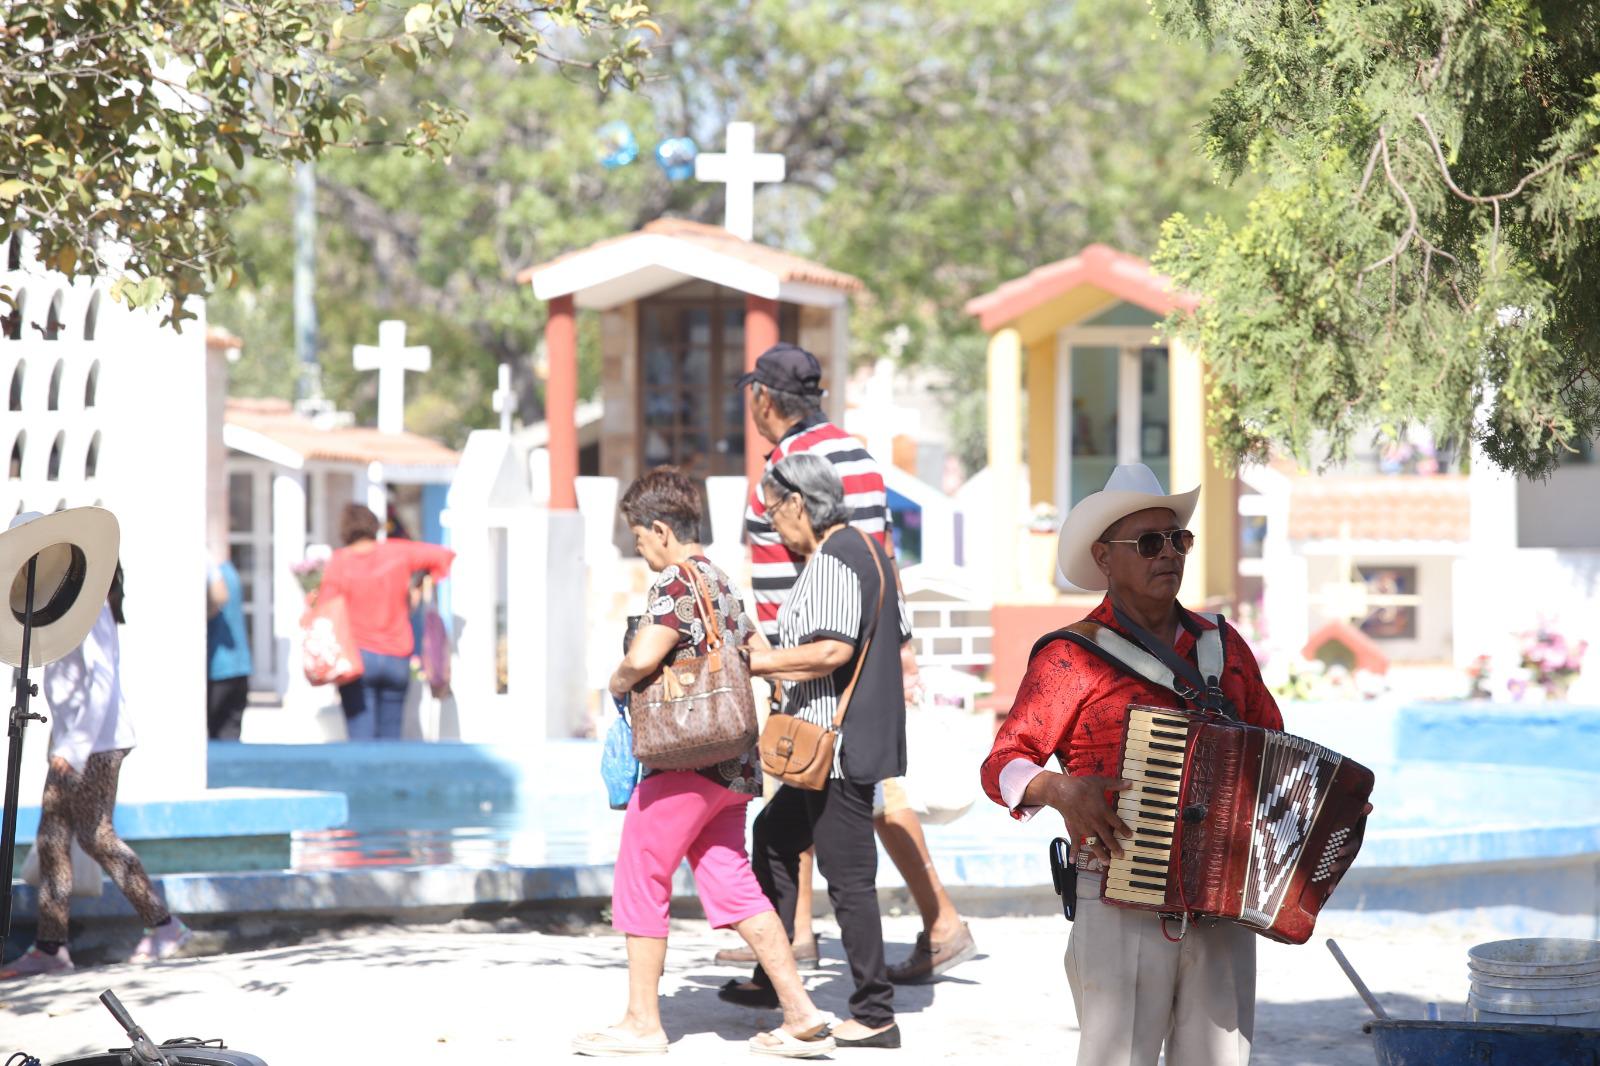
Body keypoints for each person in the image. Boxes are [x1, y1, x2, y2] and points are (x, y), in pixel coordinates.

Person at [978, 464, 1285, 1066]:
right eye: (1148, 543)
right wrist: (1060, 789)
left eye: (1178, 540)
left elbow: (1274, 750)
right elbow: (1002, 765)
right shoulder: (1072, 656)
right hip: (1119, 891)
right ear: (1105, 558)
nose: (1168, 554)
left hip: (1222, 897)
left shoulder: (1224, 646)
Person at [727, 342, 975, 984]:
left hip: (809, 658)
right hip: (863, 644)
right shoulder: (860, 454)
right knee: (807, 787)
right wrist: (900, 645)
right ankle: (795, 935)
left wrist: (777, 665)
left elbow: (789, 571)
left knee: (837, 783)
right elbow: (882, 554)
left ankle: (938, 921)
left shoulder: (785, 469)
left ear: (764, 399)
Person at [573, 467, 835, 1059]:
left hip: (682, 759)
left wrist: (617, 681)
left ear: (661, 530)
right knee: (733, 881)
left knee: (640, 873)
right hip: (734, 762)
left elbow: (644, 655)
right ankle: (799, 1011)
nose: (641, 553)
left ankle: (643, 1021)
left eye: (639, 540)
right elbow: (757, 655)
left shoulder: (673, 583)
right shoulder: (723, 582)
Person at [734, 453, 909, 1049]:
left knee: (849, 879)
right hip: (839, 742)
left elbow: (834, 650)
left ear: (798, 503)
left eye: (773, 511)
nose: (772, 525)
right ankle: (772, 977)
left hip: (835, 749)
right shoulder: (869, 551)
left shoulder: (836, 558)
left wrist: (756, 662)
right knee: (775, 838)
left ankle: (876, 1012)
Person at [1, 565, 192, 980]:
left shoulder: (93, 612)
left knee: (95, 837)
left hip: (95, 747)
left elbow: (102, 684)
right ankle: (52, 947)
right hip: (78, 745)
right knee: (53, 841)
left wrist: (75, 747)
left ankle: (164, 925)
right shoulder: (71, 614)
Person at [318, 503, 454, 740]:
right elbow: (444, 556)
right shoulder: (397, 553)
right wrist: (418, 585)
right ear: (373, 526)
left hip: (357, 658)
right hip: (396, 656)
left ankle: (367, 777)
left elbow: (325, 610)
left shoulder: (339, 562)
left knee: (361, 738)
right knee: (390, 738)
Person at [206, 557, 252, 740]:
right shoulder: (230, 571)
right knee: (230, 734)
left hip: (218, 668)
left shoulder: (211, 568)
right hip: (240, 665)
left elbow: (219, 597)